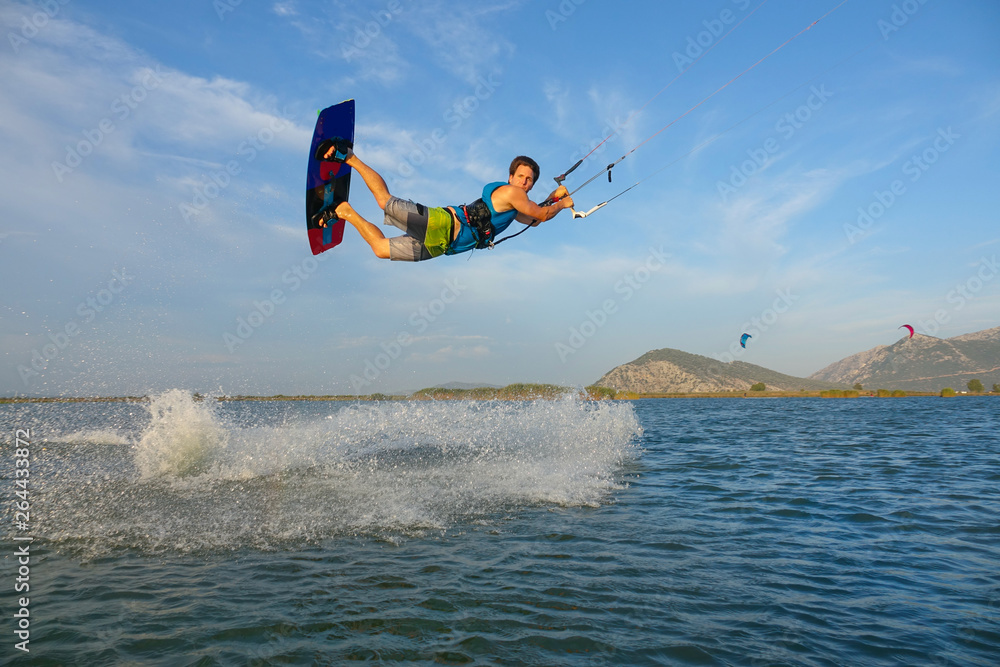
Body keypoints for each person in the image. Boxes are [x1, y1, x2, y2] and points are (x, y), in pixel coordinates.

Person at [313, 138, 574, 261]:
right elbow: (540, 215)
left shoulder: (517, 205)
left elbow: (535, 219)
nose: (525, 183)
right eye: (521, 177)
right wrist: (562, 204)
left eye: (530, 180)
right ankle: (348, 156)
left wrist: (552, 198)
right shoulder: (512, 193)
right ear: (511, 177)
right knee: (384, 201)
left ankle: (344, 211)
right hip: (443, 224)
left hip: (442, 245)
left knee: (381, 249)